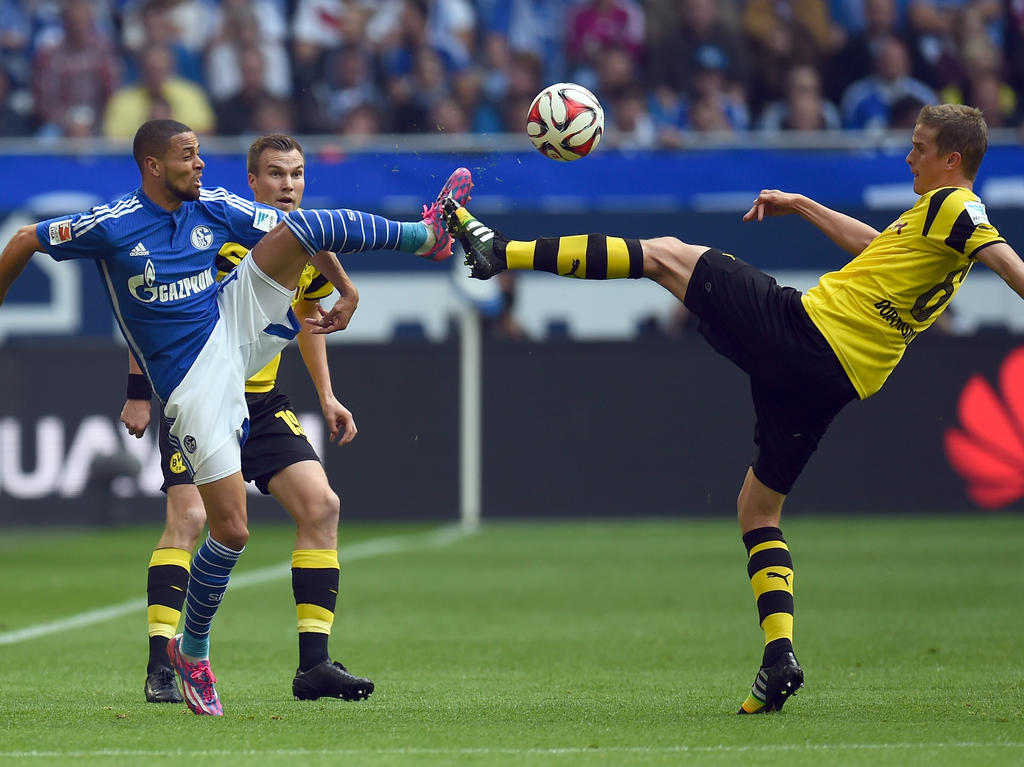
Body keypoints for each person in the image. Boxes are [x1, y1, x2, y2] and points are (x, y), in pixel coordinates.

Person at [443, 104, 1023, 713]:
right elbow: (878, 248)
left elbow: (1007, 261)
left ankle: (499, 252)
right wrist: (803, 205)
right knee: (758, 508)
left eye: (920, 147)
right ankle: (779, 657)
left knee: (666, 255)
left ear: (952, 160)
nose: (909, 156)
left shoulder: (959, 209)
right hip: (836, 379)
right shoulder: (935, 218)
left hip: (809, 332)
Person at [0, 118, 473, 716]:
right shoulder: (113, 226)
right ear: (153, 165)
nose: (200, 165)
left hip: (233, 328)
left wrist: (342, 289)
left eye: (200, 155)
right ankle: (188, 651)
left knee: (301, 226)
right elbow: (22, 240)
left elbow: (301, 241)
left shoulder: (215, 208)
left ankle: (423, 235)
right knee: (231, 530)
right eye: (188, 156)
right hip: (195, 388)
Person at [121, 133, 371, 705]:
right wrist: (138, 392)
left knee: (322, 506)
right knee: (187, 519)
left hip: (260, 403)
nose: (288, 185)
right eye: (277, 175)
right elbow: (151, 316)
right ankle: (163, 663)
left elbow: (307, 316)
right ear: (252, 183)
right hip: (201, 399)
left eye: (297, 174)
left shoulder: (303, 245)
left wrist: (327, 395)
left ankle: (315, 667)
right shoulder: (210, 232)